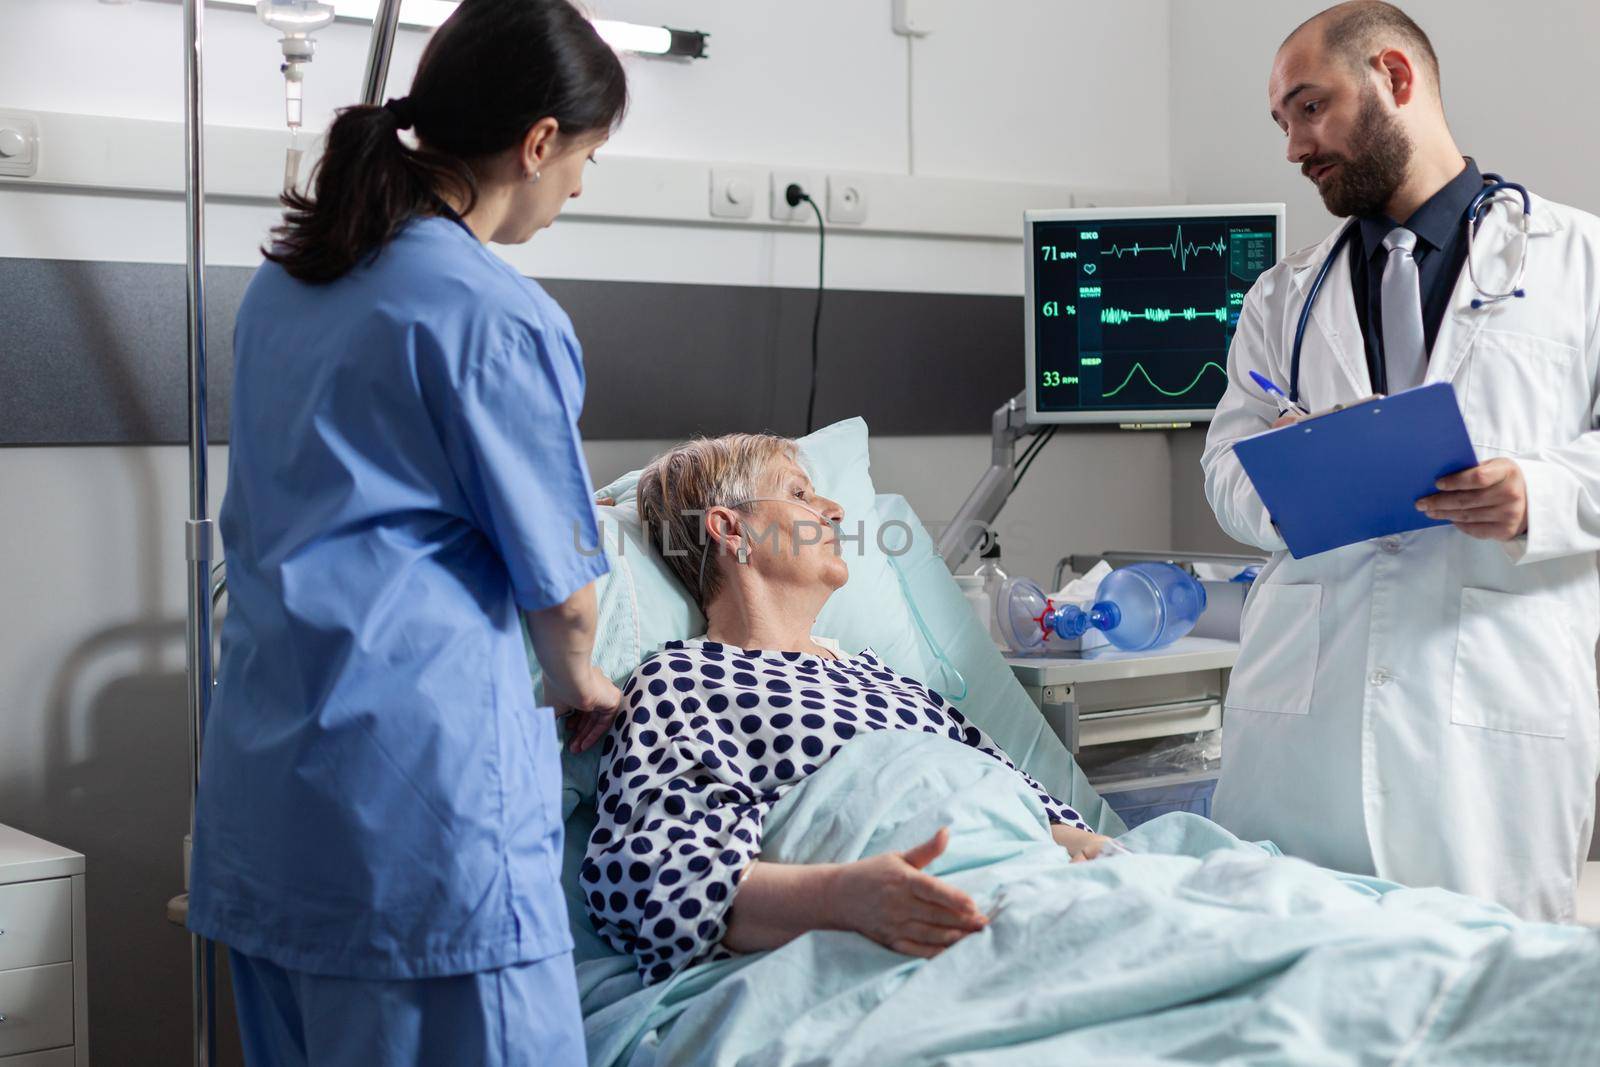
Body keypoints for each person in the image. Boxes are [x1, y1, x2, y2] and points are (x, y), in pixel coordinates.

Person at [186, 2, 628, 1063]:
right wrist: (579, 678)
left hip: (272, 793)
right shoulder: (492, 313)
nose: (580, 182)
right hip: (420, 816)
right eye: (586, 155)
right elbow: (562, 592)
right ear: (536, 142)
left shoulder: (287, 284)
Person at [1203, 1, 1600, 921]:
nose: (1294, 147)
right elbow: (1226, 458)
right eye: (1281, 121)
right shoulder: (1282, 296)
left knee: (1481, 1000)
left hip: (1487, 724)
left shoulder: (1581, 265)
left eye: (1310, 108)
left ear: (1395, 78)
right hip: (1305, 722)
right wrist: (1305, 476)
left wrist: (1537, 492)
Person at [581, 434, 1113, 984]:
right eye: (800, 493)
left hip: (1041, 885)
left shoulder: (889, 680)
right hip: (912, 934)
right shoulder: (682, 681)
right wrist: (841, 898)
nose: (834, 510)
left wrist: (1094, 849)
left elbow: (1026, 803)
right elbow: (639, 877)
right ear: (732, 529)